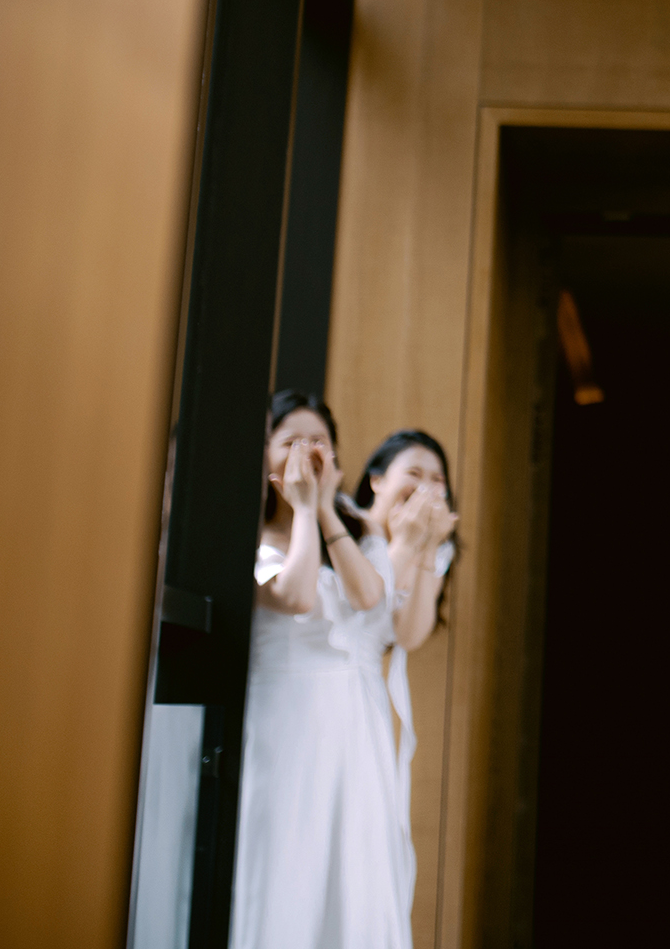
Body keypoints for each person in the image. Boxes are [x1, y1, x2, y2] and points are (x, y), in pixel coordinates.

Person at [230, 391, 411, 949]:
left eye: (319, 442)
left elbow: (369, 598)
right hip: (281, 716)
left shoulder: (356, 528)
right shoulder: (246, 531)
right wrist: (304, 511)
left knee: (351, 864)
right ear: (263, 454)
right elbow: (298, 595)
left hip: (352, 724)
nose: (306, 452)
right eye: (290, 441)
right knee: (285, 856)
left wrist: (324, 508)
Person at [351, 427, 460, 873]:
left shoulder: (438, 547)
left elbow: (409, 635)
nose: (426, 488)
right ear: (377, 480)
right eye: (414, 473)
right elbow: (361, 606)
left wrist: (427, 548)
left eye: (438, 480)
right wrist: (405, 544)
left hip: (369, 693)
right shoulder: (345, 526)